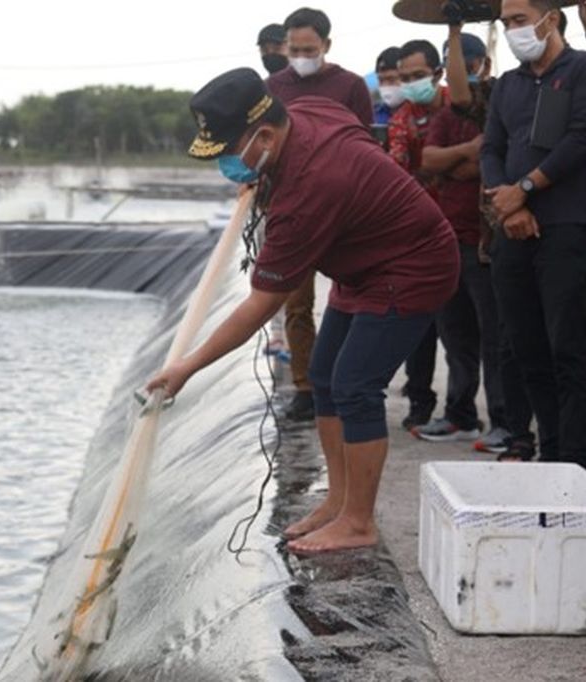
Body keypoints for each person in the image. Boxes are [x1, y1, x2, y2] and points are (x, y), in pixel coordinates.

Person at [147, 68, 458, 554]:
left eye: (231, 153)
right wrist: (263, 172)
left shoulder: (310, 191)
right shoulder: (305, 112)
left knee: (356, 384)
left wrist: (187, 366)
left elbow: (261, 303)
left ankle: (358, 522)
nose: (227, 164)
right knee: (324, 375)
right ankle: (338, 501)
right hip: (363, 262)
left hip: (412, 263)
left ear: (265, 135)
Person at [480, 0, 586, 473]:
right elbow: (491, 147)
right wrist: (505, 200)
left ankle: (578, 459)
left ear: (550, 19)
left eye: (518, 21)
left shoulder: (585, 71)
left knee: (568, 348)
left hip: (565, 227)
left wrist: (527, 189)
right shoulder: (508, 86)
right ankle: (550, 450)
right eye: (506, 23)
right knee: (524, 346)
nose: (512, 30)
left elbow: (584, 137)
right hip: (512, 229)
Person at [266, 6, 374, 422]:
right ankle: (305, 386)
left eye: (309, 49)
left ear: (327, 45)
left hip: (344, 209)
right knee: (295, 301)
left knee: (352, 295)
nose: (301, 55)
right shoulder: (273, 87)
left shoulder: (349, 86)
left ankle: (344, 377)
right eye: (294, 49)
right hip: (291, 210)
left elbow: (365, 146)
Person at [417, 31, 511, 449]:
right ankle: (460, 415)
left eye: (467, 61)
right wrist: (466, 153)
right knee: (456, 336)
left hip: (486, 242)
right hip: (449, 241)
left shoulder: (498, 101)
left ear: (483, 64)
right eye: (453, 60)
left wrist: (459, 161)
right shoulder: (444, 114)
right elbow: (427, 159)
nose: (460, 69)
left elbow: (494, 160)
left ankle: (506, 421)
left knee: (496, 338)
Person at [387, 39, 450, 431]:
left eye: (417, 76)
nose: (411, 84)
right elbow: (397, 171)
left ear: (438, 72)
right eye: (405, 77)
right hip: (419, 235)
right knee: (421, 327)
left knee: (464, 332)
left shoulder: (462, 105)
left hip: (464, 227)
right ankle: (420, 401)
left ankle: (463, 410)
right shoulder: (402, 119)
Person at [373, 46, 405, 126]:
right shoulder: (373, 113)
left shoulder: (419, 114)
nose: (385, 86)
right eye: (381, 80)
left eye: (391, 80)